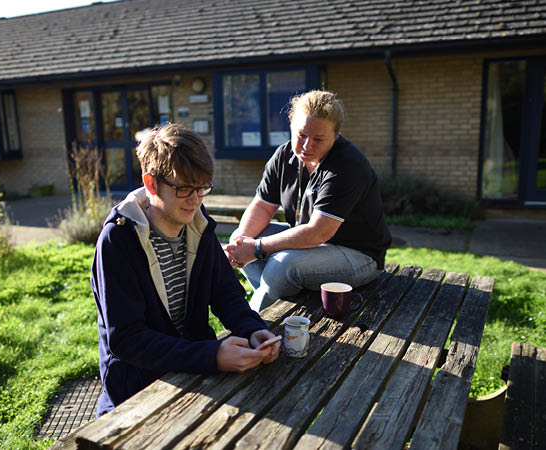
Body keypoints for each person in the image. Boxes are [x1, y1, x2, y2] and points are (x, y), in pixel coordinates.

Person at [91, 123, 280, 418]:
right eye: (183, 189)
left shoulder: (197, 223)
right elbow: (126, 339)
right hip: (136, 391)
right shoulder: (118, 240)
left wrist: (253, 329)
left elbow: (226, 294)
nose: (195, 199)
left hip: (196, 373)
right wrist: (212, 355)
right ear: (151, 184)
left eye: (202, 187)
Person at [224, 90, 391, 312]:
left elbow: (318, 233)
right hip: (315, 245)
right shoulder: (283, 156)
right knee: (241, 236)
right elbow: (263, 207)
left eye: (318, 139)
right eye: (301, 135)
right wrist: (242, 242)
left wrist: (255, 248)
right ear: (291, 126)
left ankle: (252, 328)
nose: (306, 146)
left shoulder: (348, 165)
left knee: (282, 265)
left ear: (336, 135)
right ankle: (275, 301)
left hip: (359, 255)